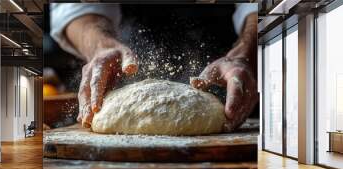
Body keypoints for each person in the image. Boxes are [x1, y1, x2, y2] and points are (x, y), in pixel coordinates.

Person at [51, 3, 258, 131]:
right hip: (123, 87)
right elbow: (73, 7)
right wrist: (101, 46)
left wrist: (245, 53)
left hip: (230, 82)